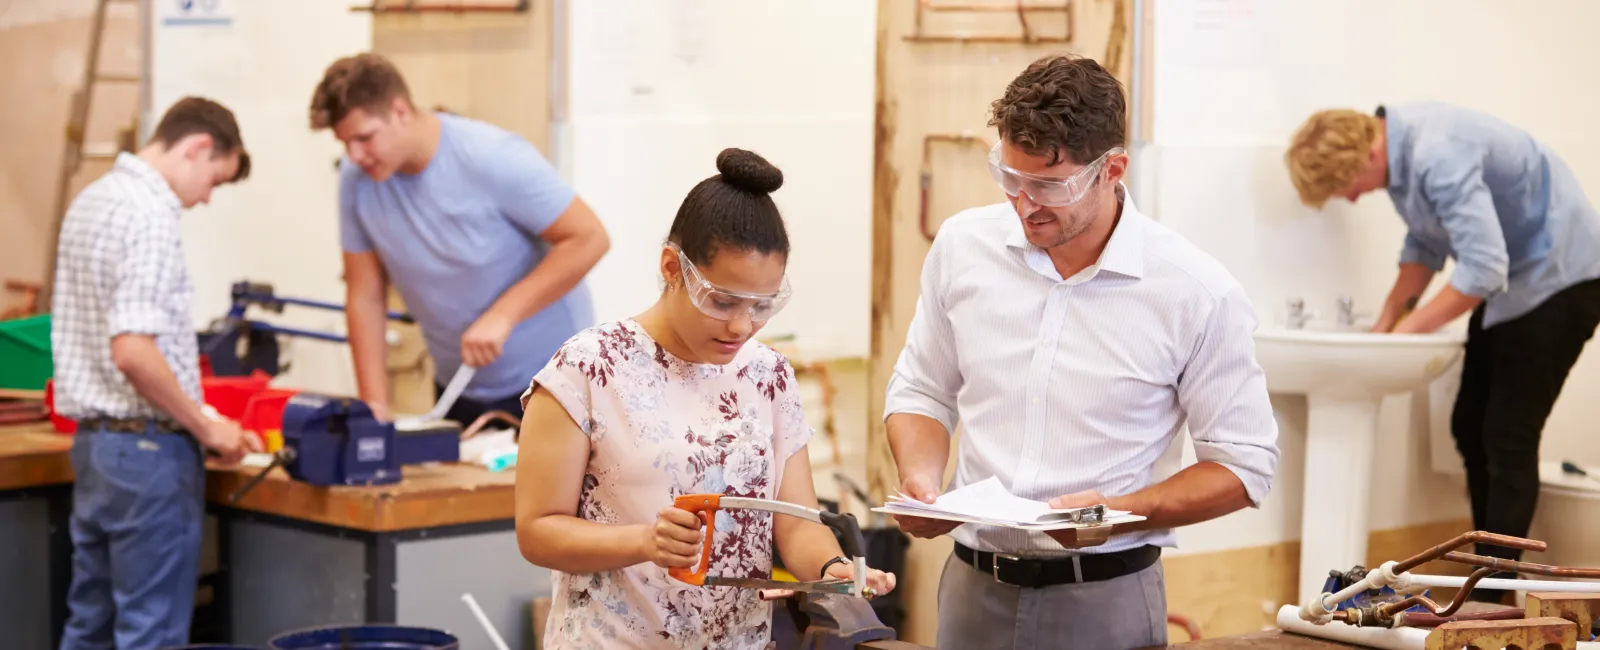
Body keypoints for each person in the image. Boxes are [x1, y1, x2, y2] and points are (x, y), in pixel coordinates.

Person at [884, 53, 1281, 649]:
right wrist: (921, 480)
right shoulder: (963, 247)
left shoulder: (1194, 292)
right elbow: (923, 388)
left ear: (1112, 168)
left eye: (1048, 184)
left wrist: (1118, 511)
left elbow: (1244, 466)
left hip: (1105, 597)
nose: (1023, 203)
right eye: (1009, 176)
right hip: (973, 588)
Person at [513, 148, 896, 649]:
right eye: (722, 301)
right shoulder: (588, 368)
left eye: (762, 305)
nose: (742, 325)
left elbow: (795, 523)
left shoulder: (768, 374)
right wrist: (644, 541)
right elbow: (538, 530)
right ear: (673, 267)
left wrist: (834, 570)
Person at [1285, 102, 1600, 600]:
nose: (1348, 198)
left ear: (1365, 156)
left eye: (1344, 186)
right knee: (1469, 425)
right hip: (1514, 286)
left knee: (1507, 436)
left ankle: (1491, 594)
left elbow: (1482, 268)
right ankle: (1487, 578)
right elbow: (1425, 249)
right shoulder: (1403, 156)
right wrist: (1385, 325)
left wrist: (1406, 332)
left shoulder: (1437, 153)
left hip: (1562, 279)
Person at [50, 96, 262, 649]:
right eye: (214, 179)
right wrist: (206, 426)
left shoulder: (93, 199)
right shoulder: (151, 217)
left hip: (97, 450)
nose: (207, 198)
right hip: (148, 457)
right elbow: (133, 351)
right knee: (150, 633)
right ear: (196, 148)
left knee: (89, 625)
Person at [308, 52, 609, 426]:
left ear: (400, 111)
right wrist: (374, 409)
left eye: (364, 138)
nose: (354, 155)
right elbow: (364, 295)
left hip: (553, 382)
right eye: (345, 143)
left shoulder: (491, 156)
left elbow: (590, 237)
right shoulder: (357, 180)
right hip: (458, 385)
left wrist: (503, 314)